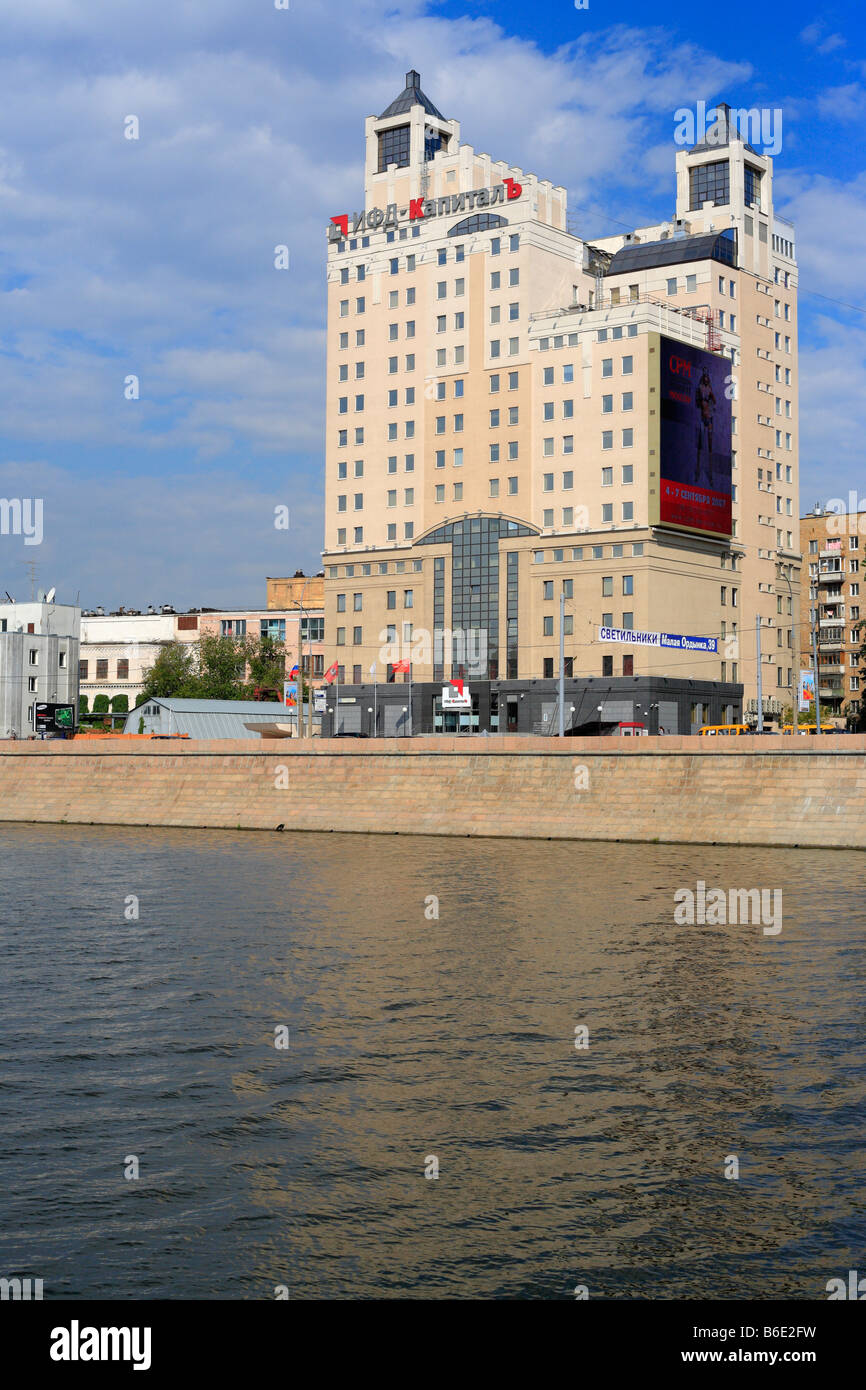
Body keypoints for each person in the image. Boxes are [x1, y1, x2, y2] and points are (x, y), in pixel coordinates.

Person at [695, 367, 716, 485]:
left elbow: (715, 400)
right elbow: (697, 403)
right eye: (705, 377)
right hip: (702, 418)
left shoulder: (709, 389)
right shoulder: (699, 388)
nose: (706, 379)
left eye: (707, 377)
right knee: (700, 445)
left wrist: (710, 407)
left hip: (709, 418)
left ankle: (710, 475)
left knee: (710, 446)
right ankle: (698, 472)